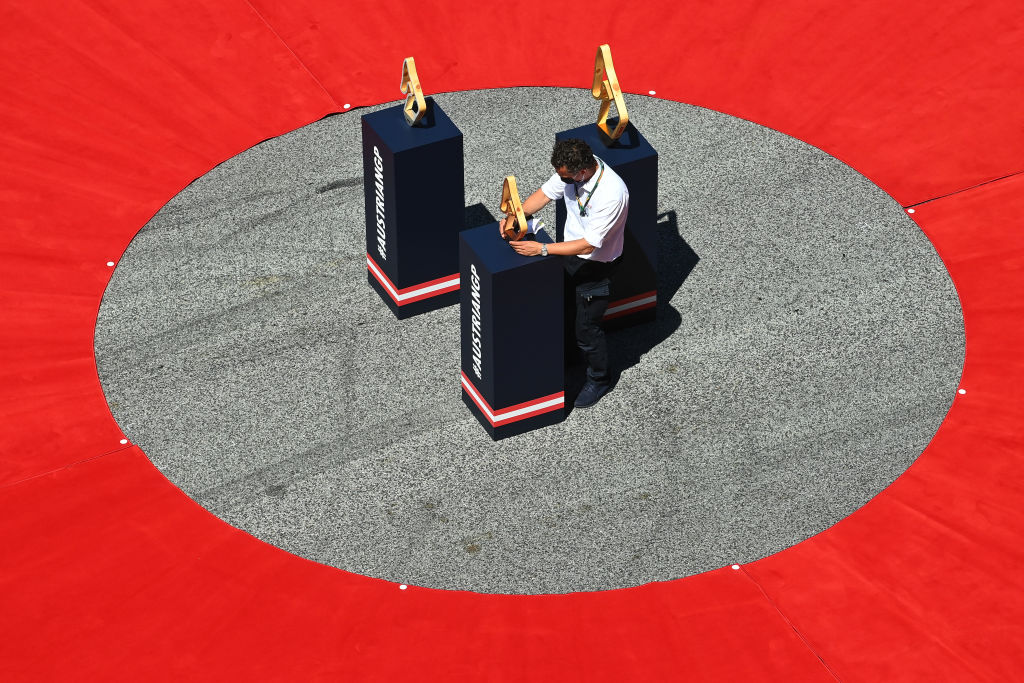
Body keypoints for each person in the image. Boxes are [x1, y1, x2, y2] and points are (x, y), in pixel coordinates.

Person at [503, 138, 629, 408]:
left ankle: (599, 379)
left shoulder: (612, 194)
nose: (562, 180)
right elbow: (544, 194)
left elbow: (589, 245)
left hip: (595, 267)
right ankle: (571, 358)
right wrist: (516, 218)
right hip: (569, 254)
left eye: (565, 177)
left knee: (587, 329)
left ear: (582, 171)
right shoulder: (571, 171)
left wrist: (542, 249)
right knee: (565, 310)